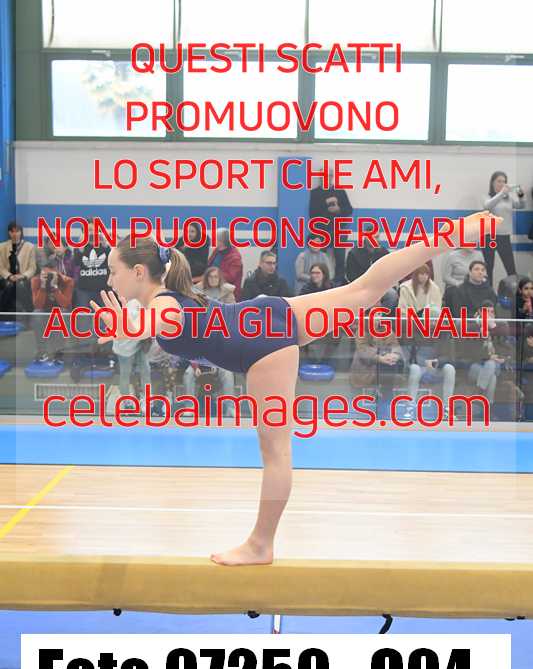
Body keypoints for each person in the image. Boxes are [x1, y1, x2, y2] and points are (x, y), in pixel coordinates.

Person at [90, 210, 503, 566]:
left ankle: (260, 545)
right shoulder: (166, 298)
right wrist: (132, 326)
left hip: (259, 345)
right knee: (364, 289)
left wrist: (132, 327)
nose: (109, 278)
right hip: (266, 316)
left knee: (275, 452)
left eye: (113, 270)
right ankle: (453, 235)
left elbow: (161, 321)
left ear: (138, 272)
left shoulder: (163, 303)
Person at [482, 171, 525, 285]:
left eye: (504, 181)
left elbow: (521, 205)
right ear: (492, 182)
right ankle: (488, 294)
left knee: (511, 269)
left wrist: (520, 195)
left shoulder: (508, 198)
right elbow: (487, 206)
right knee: (488, 268)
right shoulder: (487, 197)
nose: (502, 184)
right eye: (499, 181)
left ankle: (515, 292)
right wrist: (502, 193)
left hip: (504, 237)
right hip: (489, 237)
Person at [31, 262, 74, 362]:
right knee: (37, 313)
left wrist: (55, 287)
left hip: (60, 310)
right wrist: (43, 286)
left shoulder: (67, 281)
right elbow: (37, 305)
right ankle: (42, 351)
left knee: (62, 314)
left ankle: (59, 351)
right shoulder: (36, 280)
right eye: (45, 275)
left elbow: (65, 304)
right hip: (44, 310)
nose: (48, 277)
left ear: (58, 273)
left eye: (51, 275)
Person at [0, 222, 36, 316]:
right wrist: (9, 276)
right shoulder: (2, 247)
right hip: (7, 278)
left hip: (23, 278)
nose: (15, 234)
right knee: (9, 285)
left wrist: (22, 276)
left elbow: (32, 268)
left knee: (19, 286)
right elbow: (1, 267)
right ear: (9, 233)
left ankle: (30, 312)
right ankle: (2, 313)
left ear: (21, 232)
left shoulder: (30, 247)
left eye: (17, 231)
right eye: (12, 231)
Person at [207, 228, 243, 300]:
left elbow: (230, 277)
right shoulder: (217, 250)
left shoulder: (235, 258)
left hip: (227, 294)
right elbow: (209, 265)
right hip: (212, 286)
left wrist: (212, 276)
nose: (212, 239)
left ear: (221, 241)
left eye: (215, 238)